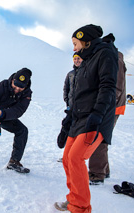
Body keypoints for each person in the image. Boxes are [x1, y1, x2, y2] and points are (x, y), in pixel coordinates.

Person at [54, 24, 118, 212]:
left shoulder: (105, 54)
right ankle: (74, 198)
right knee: (67, 158)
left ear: (85, 40)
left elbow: (107, 87)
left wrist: (98, 114)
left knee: (76, 158)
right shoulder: (85, 61)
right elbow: (78, 95)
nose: (73, 48)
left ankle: (80, 207)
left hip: (95, 119)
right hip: (79, 119)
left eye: (75, 43)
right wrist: (66, 123)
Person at [88, 40, 127, 185]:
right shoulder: (113, 57)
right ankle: (104, 170)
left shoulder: (113, 58)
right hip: (111, 106)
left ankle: (96, 174)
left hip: (111, 107)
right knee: (101, 138)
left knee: (98, 138)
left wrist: (104, 106)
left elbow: (116, 87)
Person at [57, 53, 83, 161]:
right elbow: (66, 89)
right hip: (71, 107)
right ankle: (67, 154)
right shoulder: (70, 74)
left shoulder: (86, 72)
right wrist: (67, 102)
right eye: (75, 59)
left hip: (82, 108)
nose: (77, 61)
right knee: (68, 129)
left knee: (78, 132)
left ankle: (74, 155)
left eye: (79, 59)